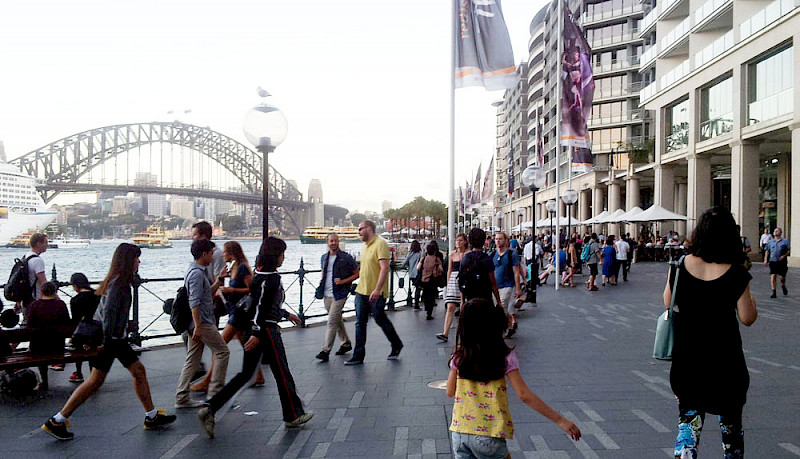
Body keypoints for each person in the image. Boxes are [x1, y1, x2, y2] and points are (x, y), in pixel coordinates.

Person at [41, 243, 176, 441]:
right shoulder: (119, 284)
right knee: (96, 382)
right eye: (136, 258)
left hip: (114, 339)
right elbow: (111, 313)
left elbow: (110, 313)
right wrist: (108, 339)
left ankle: (151, 415)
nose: (139, 261)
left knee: (135, 372)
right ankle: (57, 420)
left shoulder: (116, 281)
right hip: (111, 340)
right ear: (127, 261)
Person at [664, 206, 757, 459]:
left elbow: (667, 302)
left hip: (688, 361)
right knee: (732, 431)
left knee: (688, 429)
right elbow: (748, 318)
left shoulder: (680, 265)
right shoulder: (736, 272)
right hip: (727, 363)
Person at [198, 237, 312, 438]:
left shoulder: (259, 273)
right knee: (282, 372)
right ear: (275, 256)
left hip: (256, 328)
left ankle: (211, 407)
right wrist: (259, 332)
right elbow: (262, 307)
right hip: (267, 331)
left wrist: (285, 315)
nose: (283, 258)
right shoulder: (272, 278)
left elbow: (262, 302)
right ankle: (292, 415)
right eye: (282, 254)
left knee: (246, 374)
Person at [447, 298, 581, 458]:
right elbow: (524, 395)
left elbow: (450, 391)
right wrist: (560, 420)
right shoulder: (503, 355)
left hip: (459, 431)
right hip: (489, 434)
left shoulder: (460, 354)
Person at [192, 241, 262, 391]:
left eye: (224, 252)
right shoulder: (233, 267)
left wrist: (231, 290)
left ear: (231, 253)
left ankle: (207, 381)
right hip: (235, 311)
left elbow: (251, 289)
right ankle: (258, 375)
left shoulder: (242, 268)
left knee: (220, 346)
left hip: (238, 314)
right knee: (245, 343)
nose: (222, 255)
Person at [175, 239, 230, 407]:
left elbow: (206, 294)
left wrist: (219, 279)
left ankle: (182, 396)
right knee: (222, 352)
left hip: (197, 323)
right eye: (211, 253)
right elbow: (195, 301)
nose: (213, 256)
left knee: (192, 359)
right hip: (202, 322)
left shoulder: (195, 271)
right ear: (204, 253)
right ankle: (215, 393)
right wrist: (198, 326)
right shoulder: (197, 274)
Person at [345, 220, 404, 365]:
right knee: (360, 323)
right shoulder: (364, 246)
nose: (358, 232)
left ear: (369, 228)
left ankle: (396, 343)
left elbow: (384, 268)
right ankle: (358, 356)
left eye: (360, 229)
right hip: (361, 290)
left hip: (376, 292)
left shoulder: (380, 244)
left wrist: (377, 289)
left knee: (379, 318)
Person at [315, 233, 358, 362]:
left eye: (335, 241)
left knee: (332, 321)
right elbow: (324, 274)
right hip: (327, 294)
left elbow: (357, 274)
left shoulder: (346, 258)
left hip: (340, 294)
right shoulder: (324, 258)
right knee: (337, 319)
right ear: (327, 242)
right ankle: (346, 343)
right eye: (331, 241)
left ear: (338, 242)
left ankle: (325, 350)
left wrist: (343, 281)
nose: (333, 243)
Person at [27, 281, 70, 391]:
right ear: (55, 292)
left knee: (39, 349)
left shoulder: (34, 305)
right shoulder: (61, 304)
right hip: (58, 346)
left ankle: (44, 381)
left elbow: (29, 326)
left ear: (41, 292)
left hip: (38, 347)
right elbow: (67, 323)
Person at [68, 273, 101, 384]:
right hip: (98, 333)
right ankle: (93, 373)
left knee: (77, 343)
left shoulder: (75, 300)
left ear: (75, 285)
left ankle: (78, 372)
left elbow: (75, 321)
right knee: (90, 345)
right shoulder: (97, 295)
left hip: (82, 335)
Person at [459, 228, 503, 309]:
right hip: (485, 299)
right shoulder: (487, 259)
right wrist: (498, 301)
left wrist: (462, 301)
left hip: (470, 300)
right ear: (483, 241)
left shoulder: (465, 259)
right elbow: (493, 283)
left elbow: (462, 280)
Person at [436, 233, 467, 342]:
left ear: (465, 242)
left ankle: (465, 333)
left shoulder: (468, 254)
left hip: (464, 280)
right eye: (457, 240)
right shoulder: (452, 255)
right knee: (450, 307)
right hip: (454, 281)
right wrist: (448, 283)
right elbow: (449, 270)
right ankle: (445, 333)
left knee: (465, 308)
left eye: (460, 240)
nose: (458, 242)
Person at [492, 232, 523, 338]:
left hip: (507, 285)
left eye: (500, 239)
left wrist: (518, 288)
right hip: (496, 286)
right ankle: (510, 327)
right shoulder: (492, 255)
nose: (498, 241)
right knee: (499, 308)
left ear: (505, 240)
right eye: (496, 239)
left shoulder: (511, 254)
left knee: (502, 308)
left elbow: (516, 272)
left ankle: (498, 331)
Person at [16, 233, 48, 326]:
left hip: (25, 299)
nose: (47, 245)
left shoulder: (26, 257)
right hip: (36, 299)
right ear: (39, 244)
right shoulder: (38, 261)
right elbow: (44, 283)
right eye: (46, 242)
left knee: (26, 325)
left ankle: (13, 340)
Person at [418, 241, 444, 320]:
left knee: (426, 294)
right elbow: (441, 269)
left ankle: (426, 308)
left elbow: (418, 267)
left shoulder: (424, 258)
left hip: (424, 279)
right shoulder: (436, 259)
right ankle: (429, 312)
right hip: (433, 279)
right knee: (432, 295)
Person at [764, 227, 790, 298]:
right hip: (773, 261)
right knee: (773, 275)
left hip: (782, 261)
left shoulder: (785, 241)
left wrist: (784, 256)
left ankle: (783, 285)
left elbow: (788, 250)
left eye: (777, 231)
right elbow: (767, 251)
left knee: (782, 277)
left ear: (780, 233)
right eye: (774, 231)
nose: (775, 232)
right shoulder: (770, 242)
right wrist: (766, 259)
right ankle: (774, 292)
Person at [401, 240, 423, 309]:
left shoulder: (410, 254)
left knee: (417, 288)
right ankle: (416, 303)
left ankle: (416, 303)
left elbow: (403, 264)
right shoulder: (421, 254)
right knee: (418, 288)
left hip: (411, 274)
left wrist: (408, 266)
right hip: (419, 273)